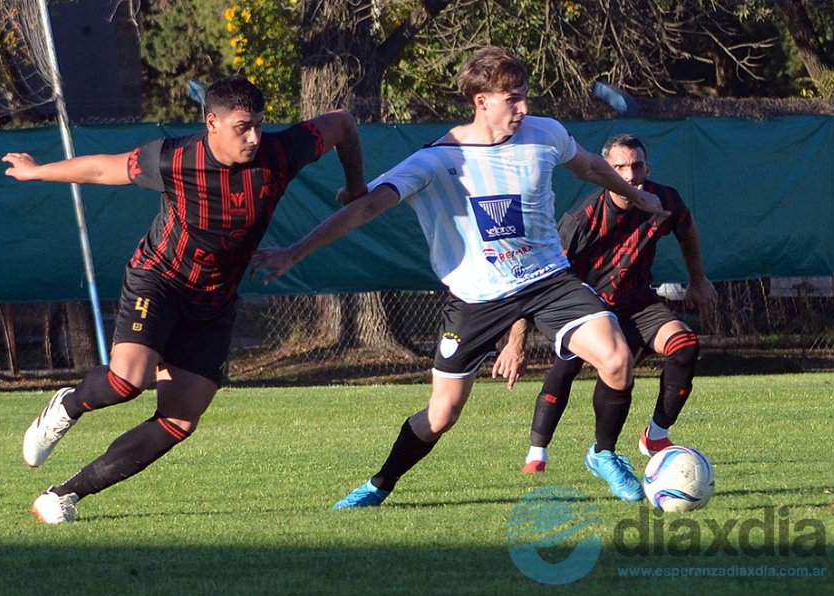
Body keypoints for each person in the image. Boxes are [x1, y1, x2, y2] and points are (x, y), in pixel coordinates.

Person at [249, 47, 669, 507]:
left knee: (615, 358)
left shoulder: (544, 134)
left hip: (548, 280)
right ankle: (378, 485)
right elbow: (365, 206)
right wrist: (294, 251)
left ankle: (603, 454)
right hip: (475, 298)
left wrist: (635, 195)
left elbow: (589, 165)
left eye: (524, 96)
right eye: (512, 99)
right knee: (442, 413)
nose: (523, 108)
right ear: (481, 100)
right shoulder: (437, 160)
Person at [2, 76, 366, 524]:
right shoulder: (174, 158)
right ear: (212, 122)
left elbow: (344, 124)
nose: (254, 137)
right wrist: (38, 171)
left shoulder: (282, 151)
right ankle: (68, 406)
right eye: (242, 127)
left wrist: (355, 187)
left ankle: (64, 494)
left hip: (215, 301)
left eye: (258, 126)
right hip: (160, 280)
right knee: (125, 382)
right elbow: (103, 169)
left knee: (179, 420)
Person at [492, 133, 717, 474]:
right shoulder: (582, 218)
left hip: (639, 304)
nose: (630, 175)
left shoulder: (662, 199)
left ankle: (655, 437)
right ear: (604, 172)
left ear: (648, 167)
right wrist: (516, 340)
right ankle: (537, 452)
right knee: (565, 367)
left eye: (637, 165)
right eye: (620, 167)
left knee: (685, 344)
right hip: (587, 309)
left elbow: (687, 229)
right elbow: (539, 276)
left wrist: (698, 281)